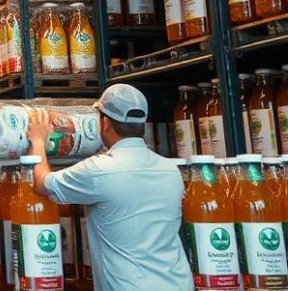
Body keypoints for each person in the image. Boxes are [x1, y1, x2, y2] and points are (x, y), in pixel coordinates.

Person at [25, 83, 192, 291]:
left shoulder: (98, 170)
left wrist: (38, 141)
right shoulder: (171, 170)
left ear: (105, 123)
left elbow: (42, 183)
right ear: (142, 124)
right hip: (178, 284)